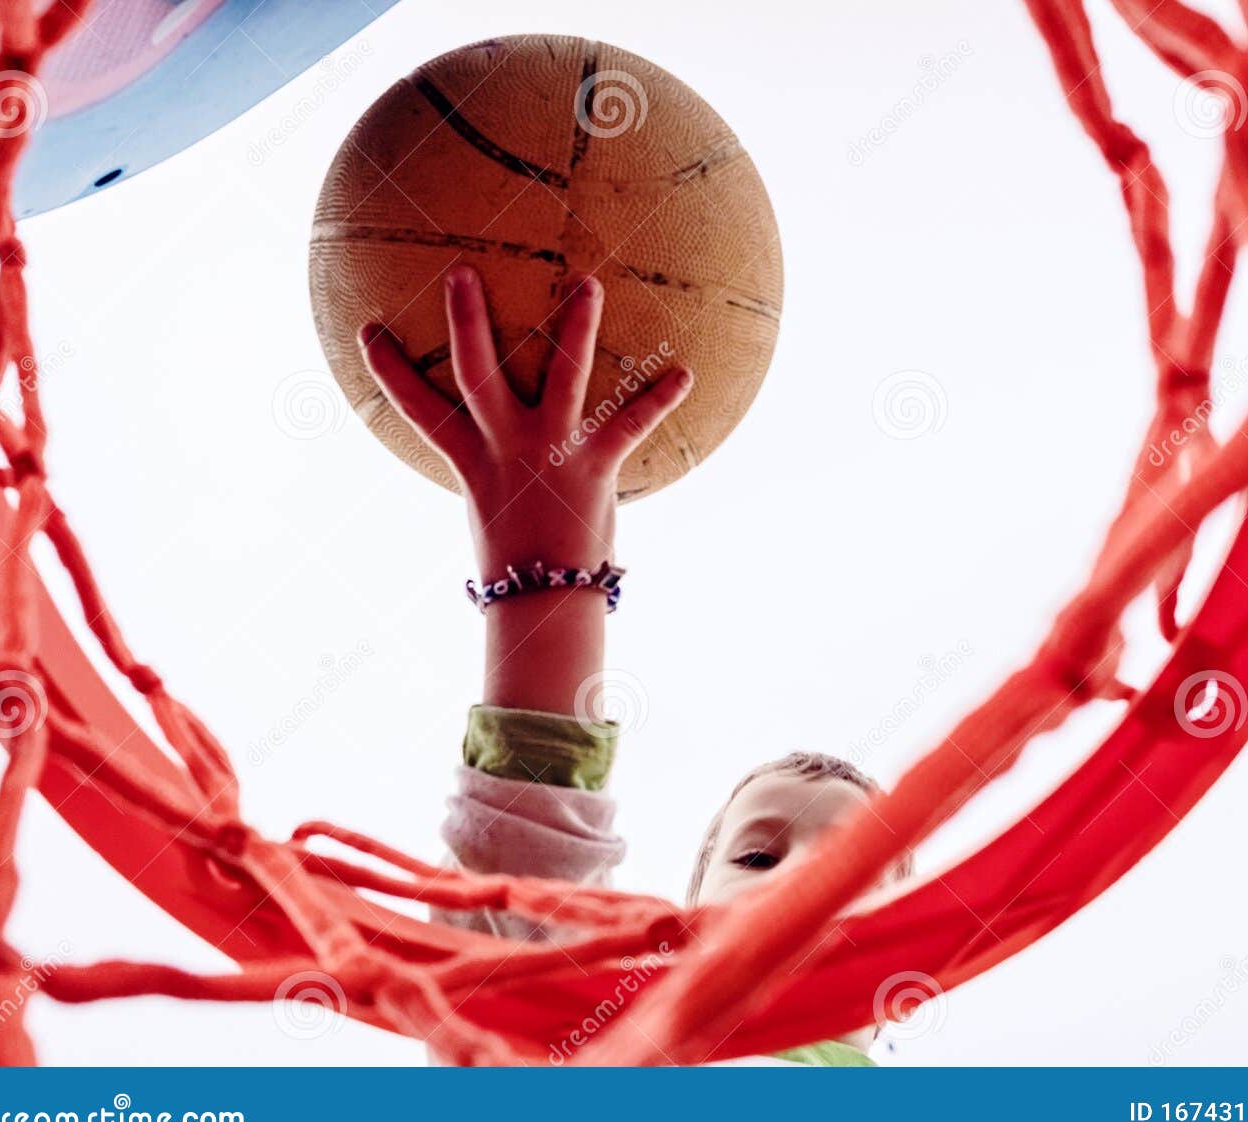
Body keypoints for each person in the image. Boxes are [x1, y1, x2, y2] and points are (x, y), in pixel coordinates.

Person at [358, 266, 910, 1066]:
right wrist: (548, 584)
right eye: (757, 856)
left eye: (856, 868)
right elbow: (526, 907)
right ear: (670, 939)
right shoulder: (626, 1044)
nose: (802, 878)